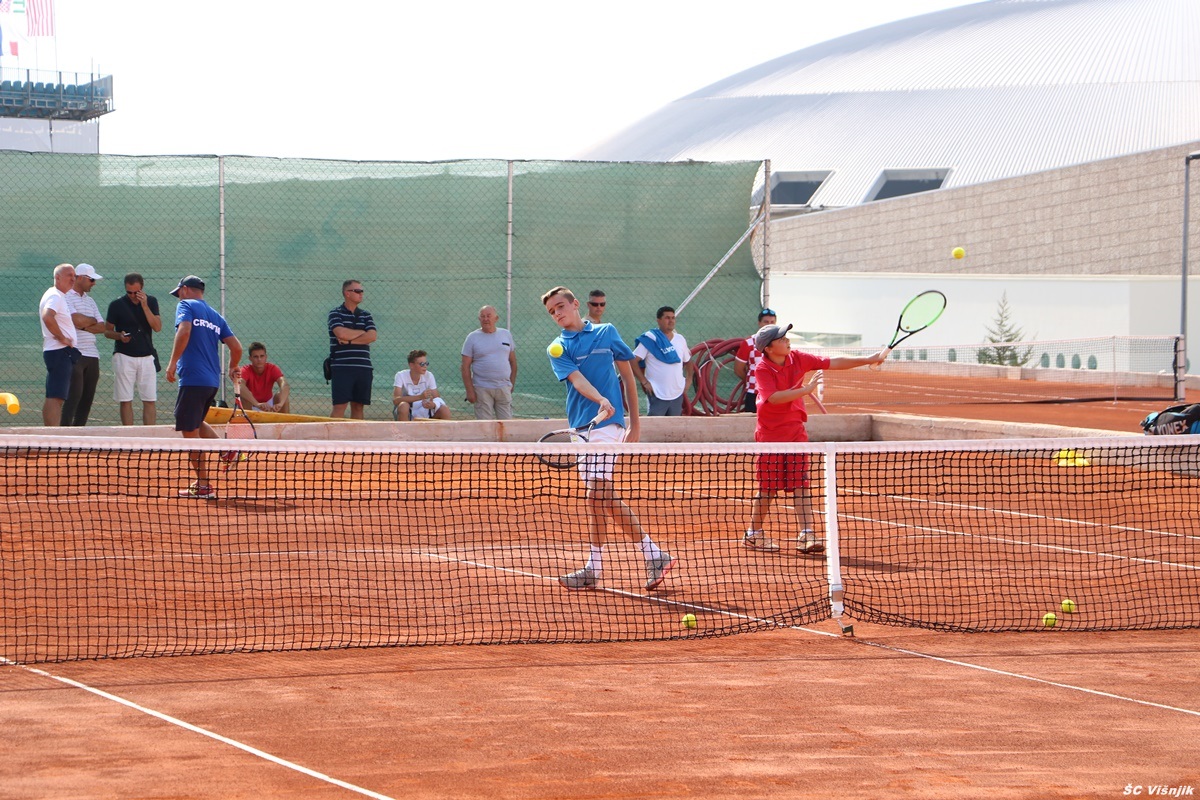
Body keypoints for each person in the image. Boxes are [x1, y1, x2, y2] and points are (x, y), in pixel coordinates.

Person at [542, 286, 675, 592]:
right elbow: (577, 381)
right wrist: (600, 398)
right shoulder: (556, 348)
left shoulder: (606, 332)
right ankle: (595, 567)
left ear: (576, 304)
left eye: (561, 306)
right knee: (596, 500)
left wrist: (635, 423)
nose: (557, 313)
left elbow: (628, 376)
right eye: (552, 311)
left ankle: (653, 555)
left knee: (600, 494)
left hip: (609, 426)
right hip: (581, 429)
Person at [743, 323, 886, 553]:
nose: (787, 341)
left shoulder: (798, 358)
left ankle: (806, 534)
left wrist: (869, 359)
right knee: (768, 488)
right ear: (768, 348)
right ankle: (753, 534)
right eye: (781, 339)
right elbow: (775, 398)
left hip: (796, 432)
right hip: (770, 435)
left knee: (801, 483)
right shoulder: (762, 370)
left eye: (786, 337)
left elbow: (833, 362)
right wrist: (805, 390)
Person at [165, 275, 243, 500]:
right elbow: (236, 347)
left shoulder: (185, 305)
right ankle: (226, 450)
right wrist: (233, 366)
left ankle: (203, 485)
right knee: (195, 422)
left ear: (186, 290)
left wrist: (172, 364)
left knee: (189, 431)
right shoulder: (216, 316)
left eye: (179, 291)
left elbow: (185, 331)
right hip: (211, 382)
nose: (178, 296)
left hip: (193, 379)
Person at [104, 272, 163, 426]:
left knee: (149, 398)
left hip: (146, 356)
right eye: (128, 292)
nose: (132, 295)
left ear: (142, 289)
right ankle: (129, 436)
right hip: (124, 355)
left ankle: (150, 438)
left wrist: (144, 306)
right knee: (125, 399)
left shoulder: (151, 301)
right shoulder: (116, 305)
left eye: (135, 292)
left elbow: (157, 327)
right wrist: (119, 335)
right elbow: (107, 331)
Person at [61, 263, 107, 426]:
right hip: (75, 353)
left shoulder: (91, 301)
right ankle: (64, 436)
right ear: (79, 278)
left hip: (93, 355)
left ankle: (79, 436)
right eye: (91, 279)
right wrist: (88, 322)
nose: (94, 283)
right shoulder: (66, 296)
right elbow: (75, 320)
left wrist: (84, 324)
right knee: (73, 397)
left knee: (87, 400)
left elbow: (102, 327)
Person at [631, 306, 694, 416]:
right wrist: (644, 381)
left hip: (677, 392)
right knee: (655, 427)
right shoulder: (650, 339)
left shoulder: (680, 339)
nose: (671, 321)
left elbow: (688, 361)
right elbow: (633, 361)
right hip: (657, 392)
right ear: (658, 320)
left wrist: (688, 380)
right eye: (667, 318)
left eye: (673, 318)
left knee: (673, 428)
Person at [328, 279, 376, 419]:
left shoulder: (366, 315)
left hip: (363, 367)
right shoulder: (335, 313)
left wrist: (349, 340)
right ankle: (331, 440)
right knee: (340, 406)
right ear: (347, 293)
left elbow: (372, 336)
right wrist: (362, 332)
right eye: (357, 291)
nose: (361, 294)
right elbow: (340, 333)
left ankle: (356, 440)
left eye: (362, 291)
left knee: (358, 406)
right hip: (342, 367)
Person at [460, 305, 517, 420]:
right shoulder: (472, 338)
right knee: (484, 426)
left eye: (489, 316)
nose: (486, 319)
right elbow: (465, 367)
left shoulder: (506, 334)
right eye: (483, 316)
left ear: (496, 318)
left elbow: (513, 362)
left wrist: (511, 384)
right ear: (479, 319)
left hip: (504, 387)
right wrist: (470, 391)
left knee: (506, 424)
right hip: (482, 388)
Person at [39, 263, 79, 426]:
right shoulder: (55, 296)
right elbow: (47, 316)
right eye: (69, 275)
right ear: (57, 277)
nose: (73, 278)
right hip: (59, 352)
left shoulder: (57, 296)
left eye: (74, 276)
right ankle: (52, 437)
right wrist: (62, 338)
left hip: (59, 353)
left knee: (55, 396)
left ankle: (51, 435)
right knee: (56, 397)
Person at [734, 308, 777, 413]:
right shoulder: (749, 342)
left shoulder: (780, 342)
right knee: (752, 425)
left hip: (776, 393)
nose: (769, 325)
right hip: (754, 393)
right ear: (759, 323)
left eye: (772, 322)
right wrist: (752, 380)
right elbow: (738, 369)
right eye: (765, 322)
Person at [393, 349, 451, 420]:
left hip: (424, 409)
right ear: (411, 365)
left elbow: (436, 397)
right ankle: (405, 430)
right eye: (422, 364)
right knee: (403, 406)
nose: (425, 366)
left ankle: (444, 431)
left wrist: (433, 404)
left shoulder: (429, 375)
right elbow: (396, 400)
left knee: (444, 409)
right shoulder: (401, 375)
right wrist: (420, 397)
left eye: (426, 363)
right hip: (408, 409)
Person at [239, 341, 290, 413]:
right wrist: (257, 404)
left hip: (269, 405)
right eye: (255, 357)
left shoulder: (272, 368)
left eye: (262, 356)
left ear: (266, 357)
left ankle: (285, 423)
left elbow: (284, 384)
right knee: (243, 398)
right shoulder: (245, 370)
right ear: (250, 358)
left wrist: (280, 404)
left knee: (280, 396)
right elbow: (240, 386)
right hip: (251, 404)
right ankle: (247, 422)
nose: (259, 359)